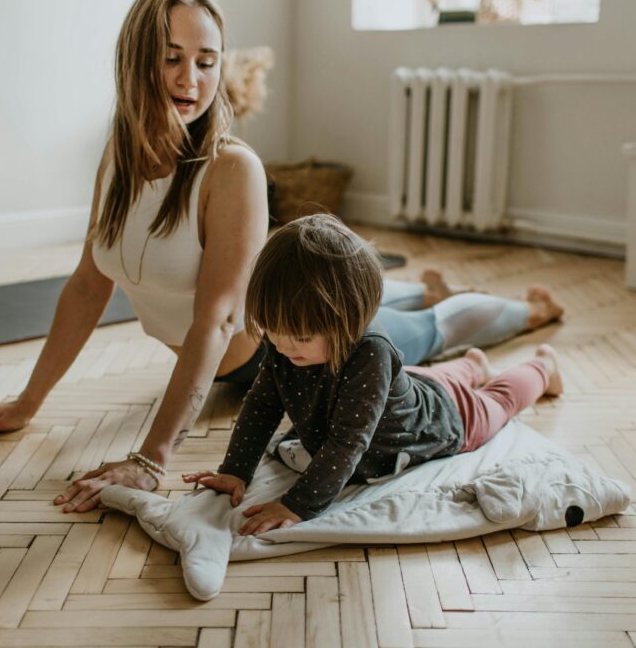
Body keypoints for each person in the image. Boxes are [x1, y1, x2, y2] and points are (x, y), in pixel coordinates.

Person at [0, 0, 561, 513]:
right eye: (172, 58)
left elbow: (215, 320)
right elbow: (86, 286)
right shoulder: (118, 158)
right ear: (134, 61)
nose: (192, 78)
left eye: (207, 60)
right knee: (405, 315)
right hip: (278, 335)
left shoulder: (229, 168)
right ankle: (428, 304)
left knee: (428, 330)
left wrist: (151, 458)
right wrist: (27, 402)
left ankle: (527, 314)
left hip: (299, 348)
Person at [183, 215, 563, 534]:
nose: (282, 347)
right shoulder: (286, 343)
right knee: (433, 379)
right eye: (273, 332)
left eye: (299, 337)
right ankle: (474, 364)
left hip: (444, 418)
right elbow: (262, 405)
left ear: (349, 320)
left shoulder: (371, 353)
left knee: (498, 400)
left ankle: (543, 366)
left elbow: (348, 443)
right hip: (411, 385)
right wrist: (235, 470)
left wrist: (296, 505)